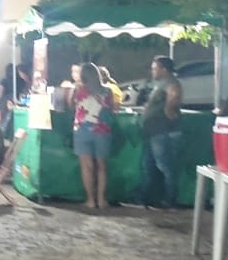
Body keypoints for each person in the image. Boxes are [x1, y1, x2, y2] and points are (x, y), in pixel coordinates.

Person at [128, 56, 183, 208]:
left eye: (155, 68)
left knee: (165, 167)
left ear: (164, 69)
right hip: (154, 132)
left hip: (163, 131)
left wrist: (168, 110)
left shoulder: (171, 83)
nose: (153, 71)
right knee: (149, 167)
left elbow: (174, 96)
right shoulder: (161, 84)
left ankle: (170, 200)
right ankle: (144, 197)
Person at [70, 62, 116, 211]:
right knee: (102, 167)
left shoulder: (78, 89)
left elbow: (71, 106)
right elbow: (113, 109)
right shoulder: (107, 91)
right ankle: (101, 200)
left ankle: (90, 200)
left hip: (82, 130)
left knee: (87, 167)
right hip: (102, 130)